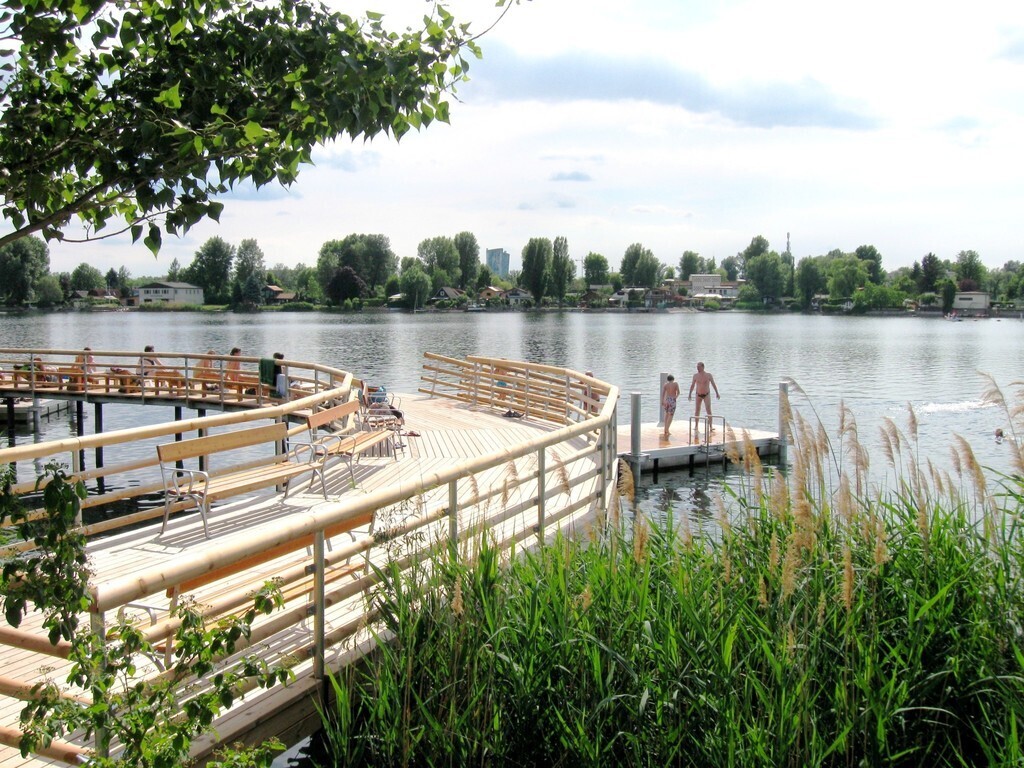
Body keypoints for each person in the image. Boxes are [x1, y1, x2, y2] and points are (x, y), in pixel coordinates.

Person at [661, 374, 680, 439]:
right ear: (673, 379)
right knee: (671, 415)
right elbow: (678, 392)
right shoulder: (675, 384)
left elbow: (663, 394)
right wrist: (675, 397)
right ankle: (667, 428)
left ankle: (665, 429)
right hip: (672, 400)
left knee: (666, 414)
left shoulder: (665, 385)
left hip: (667, 400)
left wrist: (662, 401)